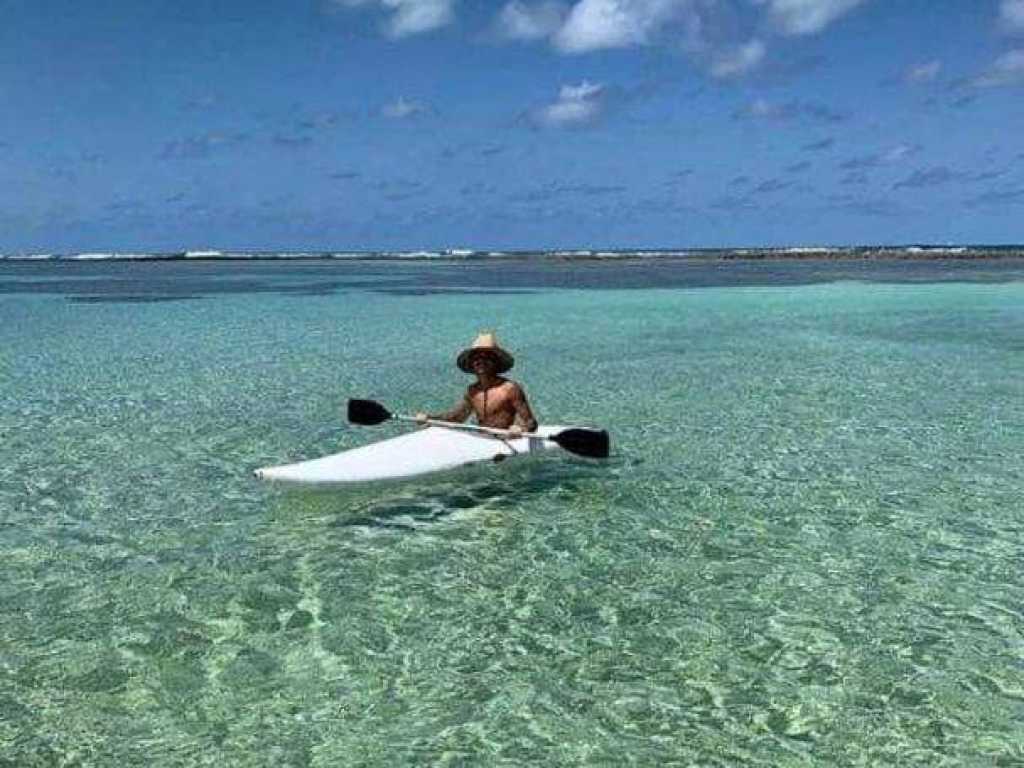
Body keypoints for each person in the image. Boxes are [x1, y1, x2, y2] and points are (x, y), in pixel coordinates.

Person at [416, 332, 538, 437]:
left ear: (495, 362)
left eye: (486, 357)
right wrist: (430, 418)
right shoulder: (473, 391)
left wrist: (521, 429)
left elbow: (531, 422)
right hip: (481, 438)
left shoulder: (510, 388)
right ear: (471, 363)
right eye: (476, 358)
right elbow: (457, 418)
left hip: (504, 439)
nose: (481, 361)